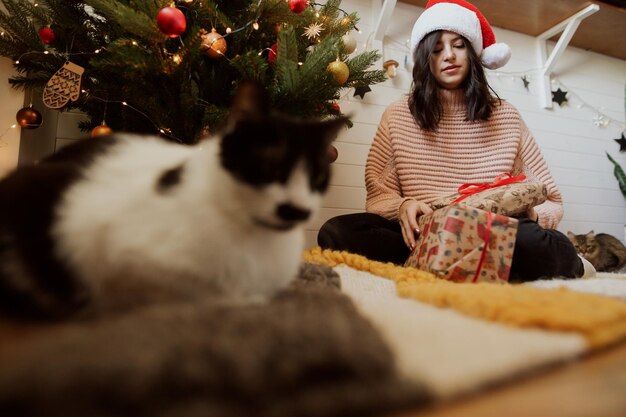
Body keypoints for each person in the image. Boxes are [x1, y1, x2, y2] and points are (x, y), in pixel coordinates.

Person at [317, 0, 594, 281]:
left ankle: (469, 263)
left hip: (493, 234)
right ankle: (455, 263)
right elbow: (379, 196)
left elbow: (552, 200)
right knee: (337, 231)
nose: (448, 55)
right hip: (424, 234)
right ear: (426, 60)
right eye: (437, 50)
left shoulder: (506, 115)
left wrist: (529, 213)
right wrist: (403, 207)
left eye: (458, 45)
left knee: (537, 241)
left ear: (473, 52)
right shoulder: (398, 114)